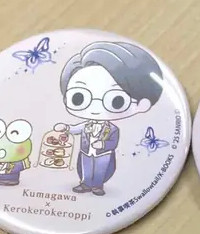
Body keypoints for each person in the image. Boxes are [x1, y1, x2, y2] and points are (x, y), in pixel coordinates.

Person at [58, 41, 163, 196]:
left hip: (103, 154)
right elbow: (77, 129)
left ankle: (97, 185)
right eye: (78, 98)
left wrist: (103, 144)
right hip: (86, 152)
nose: (95, 109)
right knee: (86, 168)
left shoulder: (112, 129)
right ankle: (85, 183)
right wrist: (67, 129)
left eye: (116, 100)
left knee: (101, 169)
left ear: (142, 104)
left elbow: (113, 141)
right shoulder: (87, 125)